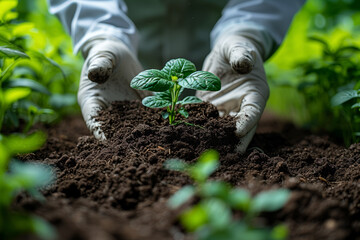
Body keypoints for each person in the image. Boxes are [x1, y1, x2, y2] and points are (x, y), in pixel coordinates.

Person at [48, 0, 306, 153]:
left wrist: (248, 31)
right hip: (132, 41)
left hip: (218, 44)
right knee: (139, 94)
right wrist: (101, 34)